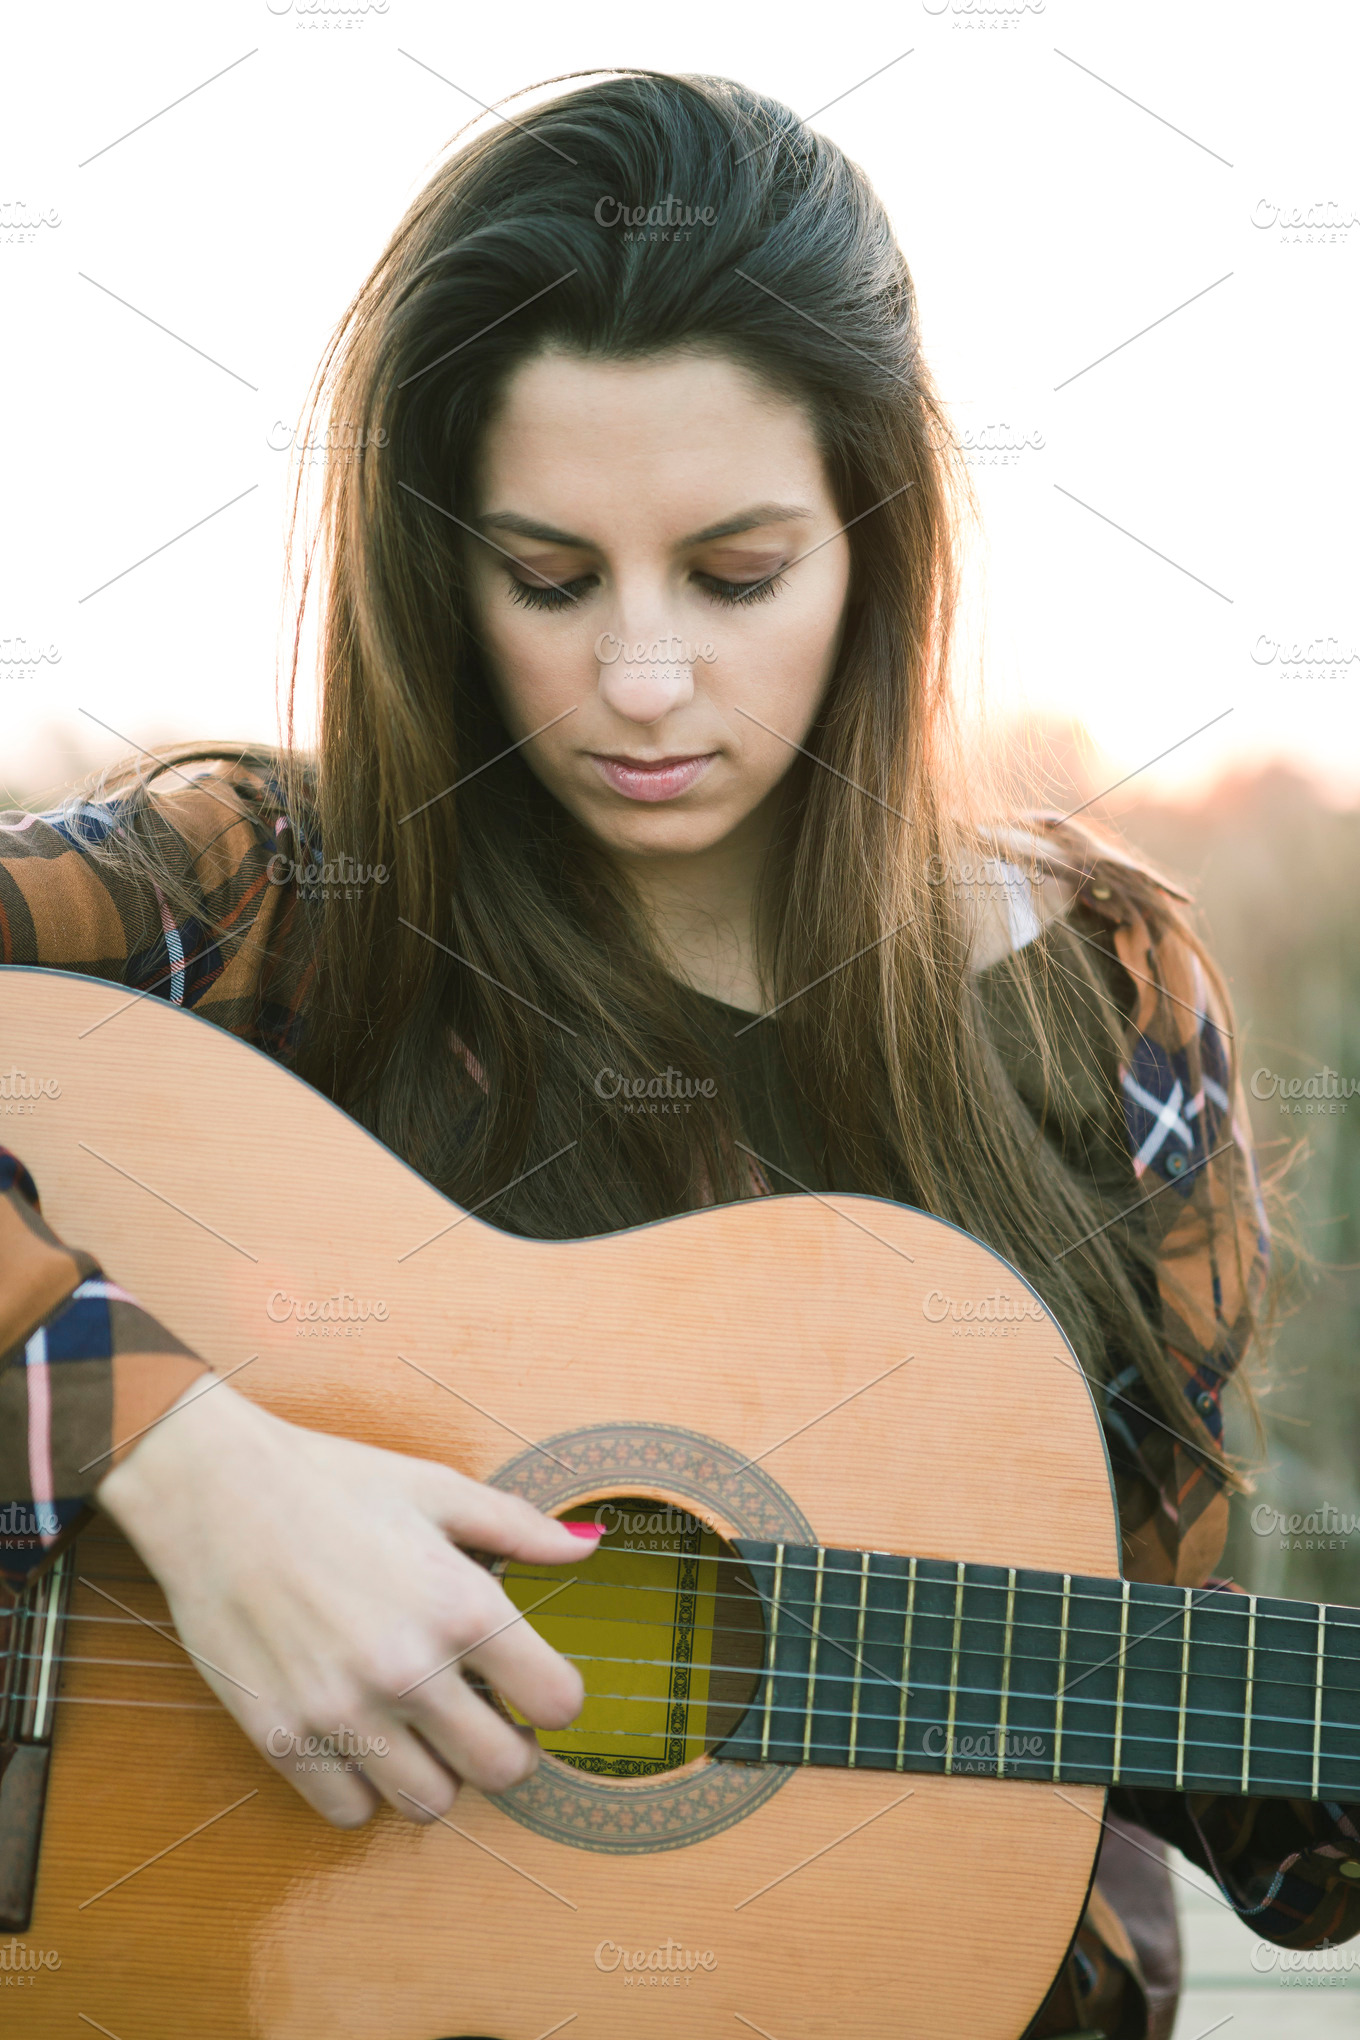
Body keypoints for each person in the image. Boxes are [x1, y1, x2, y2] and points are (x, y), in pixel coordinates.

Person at [1, 69, 1355, 2040]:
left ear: (874, 549)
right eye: (548, 579)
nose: (642, 680)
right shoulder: (267, 903)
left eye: (734, 577)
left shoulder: (1093, 996)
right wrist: (188, 1471)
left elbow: (1132, 1677)